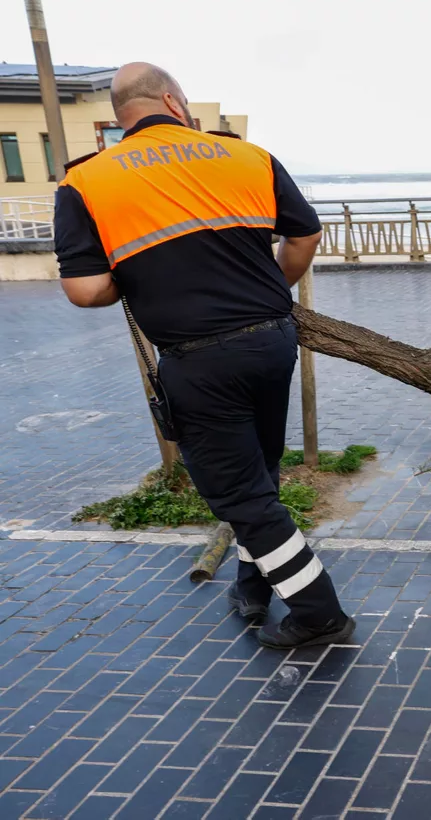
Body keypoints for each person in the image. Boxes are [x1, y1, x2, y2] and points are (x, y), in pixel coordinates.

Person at [53, 62, 354, 650]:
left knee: (240, 494)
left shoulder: (86, 183)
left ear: (123, 116)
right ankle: (254, 585)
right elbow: (306, 235)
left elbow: (86, 289)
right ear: (173, 100)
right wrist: (271, 285)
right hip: (273, 341)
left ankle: (319, 612)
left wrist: (134, 279)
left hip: (199, 360)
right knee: (259, 470)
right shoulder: (248, 157)